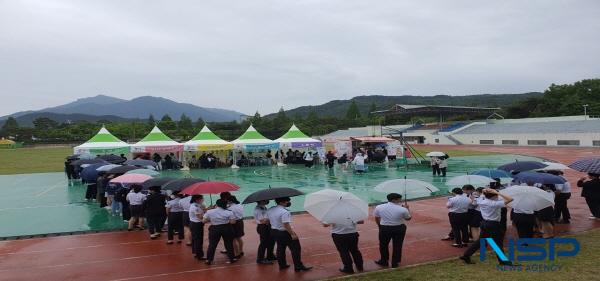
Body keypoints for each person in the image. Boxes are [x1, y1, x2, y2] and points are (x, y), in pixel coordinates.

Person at [460, 188, 514, 265]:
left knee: (480, 241)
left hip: (484, 223)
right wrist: (498, 193)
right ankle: (503, 261)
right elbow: (510, 199)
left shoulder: (481, 200)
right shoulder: (494, 203)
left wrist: (487, 191)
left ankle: (466, 255)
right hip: (493, 224)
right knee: (498, 243)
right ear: (494, 196)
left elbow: (483, 194)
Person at [267, 197, 312, 272]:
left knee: (280, 248)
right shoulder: (285, 212)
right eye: (287, 201)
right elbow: (286, 224)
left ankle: (282, 265)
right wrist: (292, 234)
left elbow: (268, 220)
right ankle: (298, 266)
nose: (288, 202)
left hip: (274, 231)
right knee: (295, 248)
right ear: (281, 202)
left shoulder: (271, 209)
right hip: (284, 232)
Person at [373, 193, 411, 268]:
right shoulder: (402, 209)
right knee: (397, 245)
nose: (400, 200)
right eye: (399, 199)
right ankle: (395, 262)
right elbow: (408, 218)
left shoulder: (379, 207)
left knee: (383, 245)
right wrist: (407, 209)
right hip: (399, 228)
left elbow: (377, 217)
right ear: (394, 200)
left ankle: (384, 261)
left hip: (384, 228)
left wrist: (380, 226)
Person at [203, 199, 237, 265]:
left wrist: (213, 219)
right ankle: (232, 258)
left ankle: (209, 260)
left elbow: (204, 221)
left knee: (212, 244)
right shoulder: (229, 212)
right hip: (226, 228)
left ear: (217, 204)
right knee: (228, 243)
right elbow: (233, 222)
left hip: (214, 228)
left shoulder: (210, 212)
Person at [254, 200, 276, 264]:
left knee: (271, 241)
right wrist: (273, 218)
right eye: (265, 200)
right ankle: (260, 259)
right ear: (261, 201)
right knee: (264, 243)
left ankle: (270, 255)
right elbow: (262, 221)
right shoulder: (258, 210)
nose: (267, 200)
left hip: (267, 226)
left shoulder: (264, 207)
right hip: (262, 227)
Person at [190, 195, 206, 260]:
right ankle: (199, 255)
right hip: (196, 224)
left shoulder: (196, 205)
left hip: (194, 223)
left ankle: (196, 253)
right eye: (202, 199)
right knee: (198, 240)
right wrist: (208, 214)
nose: (203, 200)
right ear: (197, 200)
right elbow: (200, 217)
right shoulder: (195, 207)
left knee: (195, 239)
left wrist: (208, 209)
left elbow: (201, 211)